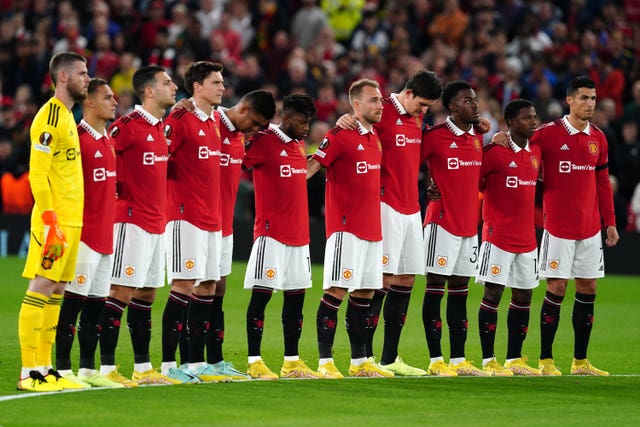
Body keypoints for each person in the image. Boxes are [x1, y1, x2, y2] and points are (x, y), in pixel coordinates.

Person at [334, 70, 443, 376]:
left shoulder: (416, 118)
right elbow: (353, 129)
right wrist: (346, 119)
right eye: (421, 104)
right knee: (379, 280)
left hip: (412, 208)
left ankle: (390, 358)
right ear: (408, 93)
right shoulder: (380, 109)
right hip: (385, 206)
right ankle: (363, 358)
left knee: (406, 279)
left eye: (427, 107)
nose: (423, 111)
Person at [159, 61, 243, 383]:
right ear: (197, 87)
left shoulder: (213, 124)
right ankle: (168, 366)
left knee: (207, 286)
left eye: (222, 82)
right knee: (182, 285)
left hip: (212, 220)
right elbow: (161, 162)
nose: (222, 88)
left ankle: (195, 365)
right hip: (184, 216)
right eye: (216, 82)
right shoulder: (179, 119)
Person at [97, 65, 180, 385]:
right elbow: (104, 158)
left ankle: (143, 369)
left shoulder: (161, 129)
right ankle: (105, 369)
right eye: (166, 82)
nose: (174, 87)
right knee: (121, 291)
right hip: (131, 222)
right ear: (149, 91)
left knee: (146, 294)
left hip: (157, 223)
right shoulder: (127, 127)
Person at [307, 79, 393, 379]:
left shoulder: (375, 138)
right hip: (346, 230)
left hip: (373, 231)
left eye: (381, 100)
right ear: (356, 105)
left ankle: (359, 363)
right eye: (373, 100)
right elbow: (313, 167)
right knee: (335, 292)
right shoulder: (341, 134)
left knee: (365, 294)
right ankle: (325, 363)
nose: (380, 105)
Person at [533, 76, 619, 376]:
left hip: (590, 228)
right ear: (569, 100)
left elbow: (602, 183)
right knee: (556, 287)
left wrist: (610, 222)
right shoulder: (546, 135)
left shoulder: (599, 138)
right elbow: (520, 151)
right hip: (557, 227)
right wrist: (502, 139)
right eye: (584, 98)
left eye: (593, 98)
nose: (590, 103)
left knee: (589, 287)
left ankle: (580, 362)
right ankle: (545, 360)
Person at [17, 51, 90, 392]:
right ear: (63, 77)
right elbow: (38, 173)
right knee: (41, 287)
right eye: (82, 73)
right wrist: (49, 220)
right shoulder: (49, 116)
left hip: (72, 221)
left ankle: (46, 368)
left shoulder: (68, 117)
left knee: (58, 291)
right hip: (55, 222)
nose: (87, 79)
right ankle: (28, 371)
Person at [242, 94, 321, 380]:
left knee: (295, 302)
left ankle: (292, 362)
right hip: (271, 234)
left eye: (309, 122)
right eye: (302, 121)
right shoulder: (264, 141)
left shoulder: (298, 146)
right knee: (261, 298)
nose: (306, 127)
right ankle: (254, 361)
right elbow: (236, 158)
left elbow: (298, 177)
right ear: (287, 119)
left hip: (300, 237)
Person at [54, 78, 125, 388]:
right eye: (108, 97)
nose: (115, 102)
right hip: (83, 236)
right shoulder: (78, 140)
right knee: (73, 303)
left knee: (96, 304)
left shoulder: (108, 140)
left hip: (106, 237)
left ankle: (86, 369)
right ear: (91, 103)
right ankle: (62, 368)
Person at [208, 90, 276, 375]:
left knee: (218, 289)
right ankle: (190, 361)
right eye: (257, 123)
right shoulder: (209, 122)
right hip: (197, 222)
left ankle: (214, 360)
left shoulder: (239, 137)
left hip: (225, 225)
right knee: (195, 289)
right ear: (244, 109)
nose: (257, 131)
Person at [421, 80, 486, 377]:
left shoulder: (478, 137)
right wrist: (424, 185)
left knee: (460, 292)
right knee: (435, 289)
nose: (474, 104)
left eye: (474, 100)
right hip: (441, 223)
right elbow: (409, 164)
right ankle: (436, 360)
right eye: (467, 101)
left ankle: (458, 361)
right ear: (452, 107)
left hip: (469, 227)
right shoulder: (434, 136)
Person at [475, 99, 542, 376]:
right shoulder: (494, 152)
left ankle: (515, 360)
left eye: (535, 116)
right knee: (493, 293)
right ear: (512, 122)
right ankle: (488, 360)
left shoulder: (537, 152)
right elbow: (473, 182)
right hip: (497, 236)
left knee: (524, 296)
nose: (534, 122)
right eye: (527, 118)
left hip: (527, 239)